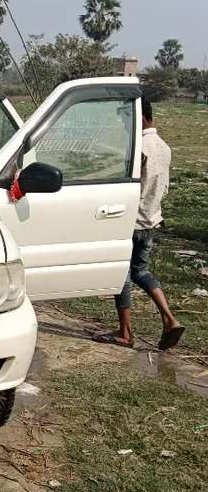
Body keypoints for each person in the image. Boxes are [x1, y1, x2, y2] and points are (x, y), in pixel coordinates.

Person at [94, 98, 185, 350]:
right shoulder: (164, 147)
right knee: (141, 271)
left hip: (131, 222)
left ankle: (125, 332)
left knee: (121, 275)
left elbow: (125, 185)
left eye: (127, 118)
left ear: (141, 117)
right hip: (151, 221)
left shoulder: (137, 148)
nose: (124, 125)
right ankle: (169, 318)